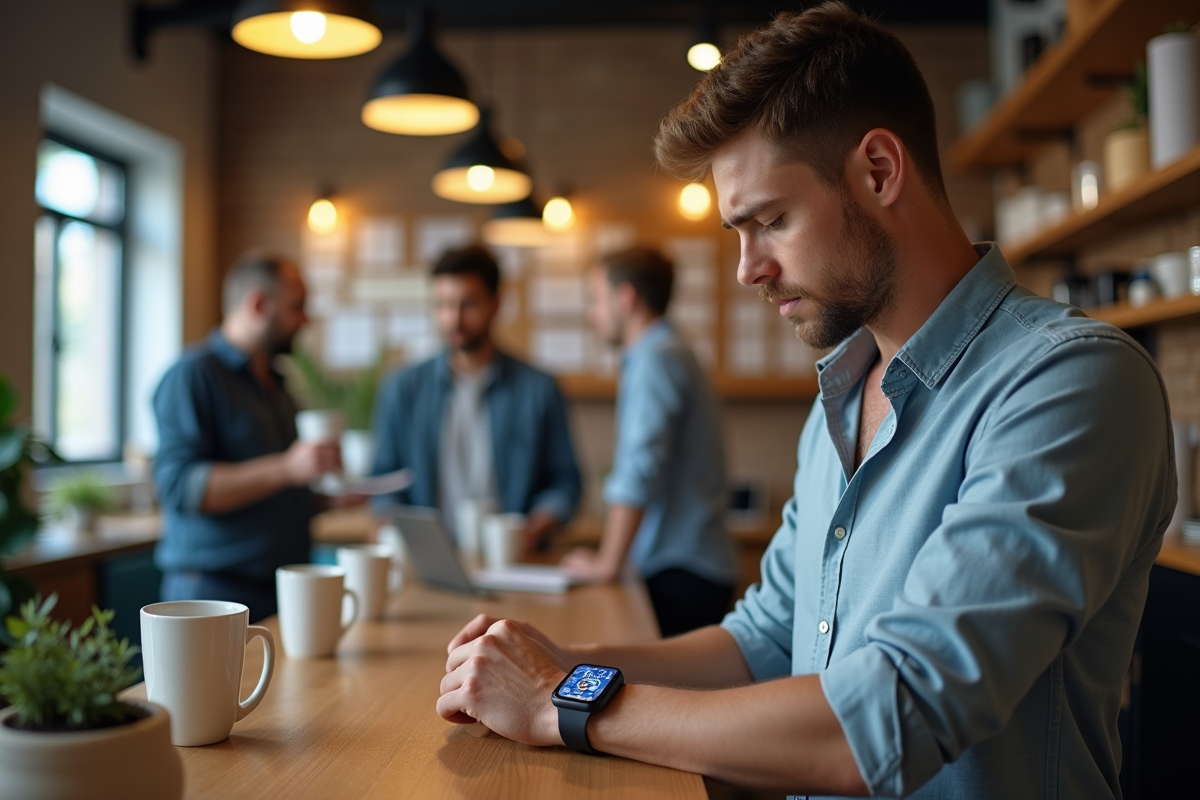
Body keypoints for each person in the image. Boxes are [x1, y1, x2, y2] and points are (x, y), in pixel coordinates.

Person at [433, 5, 1175, 797]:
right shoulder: (842, 395)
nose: (748, 269)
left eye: (772, 221)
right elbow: (761, 639)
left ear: (880, 171)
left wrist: (563, 704)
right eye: (737, 232)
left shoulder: (1071, 382)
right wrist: (563, 664)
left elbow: (891, 713)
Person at [153, 252, 338, 621]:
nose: (306, 319)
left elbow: (272, 489)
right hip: (214, 594)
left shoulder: (278, 384)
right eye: (296, 307)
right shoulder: (193, 376)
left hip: (277, 591)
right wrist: (287, 468)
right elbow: (181, 487)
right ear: (257, 304)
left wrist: (321, 499)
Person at [562, 246, 736, 637]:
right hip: (690, 565)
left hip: (682, 572)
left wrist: (607, 562)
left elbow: (640, 469)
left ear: (626, 299)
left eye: (597, 301)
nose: (592, 314)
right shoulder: (670, 350)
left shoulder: (655, 358)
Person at [371, 245, 581, 550]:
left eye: (467, 305)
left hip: (514, 561)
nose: (453, 319)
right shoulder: (403, 388)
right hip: (429, 562)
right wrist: (388, 519)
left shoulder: (539, 389)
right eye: (443, 305)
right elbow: (383, 479)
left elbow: (566, 481)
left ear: (495, 305)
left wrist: (540, 521)